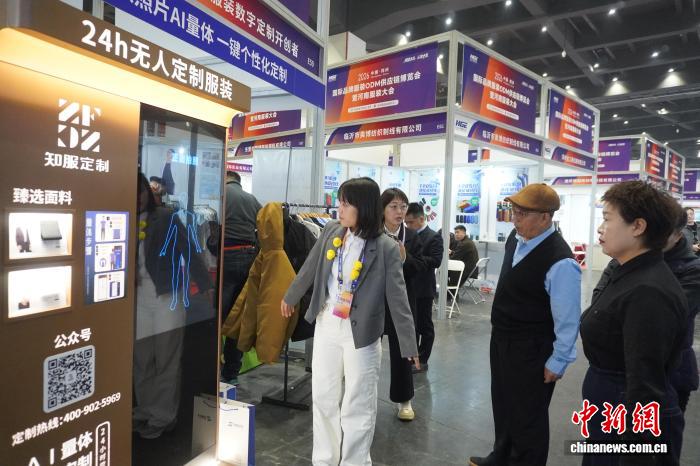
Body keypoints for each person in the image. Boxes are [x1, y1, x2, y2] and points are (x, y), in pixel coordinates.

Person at [281, 177, 419, 466]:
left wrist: (408, 344)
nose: (339, 209)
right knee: (324, 396)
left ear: (364, 207)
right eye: (339, 202)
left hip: (363, 333)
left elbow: (398, 298)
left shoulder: (386, 247)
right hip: (327, 324)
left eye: (345, 204)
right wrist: (291, 296)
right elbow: (310, 267)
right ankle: (324, 460)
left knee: (358, 403)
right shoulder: (332, 231)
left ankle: (355, 462)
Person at [470, 183, 581, 466]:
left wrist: (559, 360)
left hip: (532, 348)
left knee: (528, 416)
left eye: (521, 214)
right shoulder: (516, 238)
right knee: (503, 403)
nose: (514, 219)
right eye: (514, 212)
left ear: (545, 217)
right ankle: (501, 455)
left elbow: (568, 319)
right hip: (502, 339)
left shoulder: (560, 261)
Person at [580, 181, 687, 466]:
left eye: (607, 219)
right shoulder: (626, 272)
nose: (600, 228)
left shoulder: (648, 291)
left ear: (638, 226)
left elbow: (645, 383)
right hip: (609, 406)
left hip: (625, 412)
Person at [133, 173, 212, 439]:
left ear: (148, 191)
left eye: (141, 190)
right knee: (142, 359)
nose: (138, 197)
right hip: (137, 299)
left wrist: (205, 285)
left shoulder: (166, 217)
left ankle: (163, 416)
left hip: (167, 297)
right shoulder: (121, 219)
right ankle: (144, 410)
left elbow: (188, 250)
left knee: (166, 358)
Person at [381, 188, 426, 421]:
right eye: (393, 206)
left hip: (402, 300)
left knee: (403, 350)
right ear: (382, 209)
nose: (399, 212)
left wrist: (404, 258)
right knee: (366, 350)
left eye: (403, 207)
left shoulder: (413, 236)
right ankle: (361, 397)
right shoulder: (371, 233)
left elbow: (420, 267)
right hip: (375, 301)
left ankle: (404, 400)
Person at [220, 170, 262, 384]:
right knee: (238, 318)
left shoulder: (222, 195)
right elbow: (263, 226)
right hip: (248, 257)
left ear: (226, 178)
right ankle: (231, 373)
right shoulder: (252, 199)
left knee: (218, 316)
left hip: (225, 256)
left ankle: (211, 369)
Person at [404, 202, 443, 371]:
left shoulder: (433, 237)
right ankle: (412, 357)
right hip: (408, 286)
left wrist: (413, 259)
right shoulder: (406, 235)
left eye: (411, 222)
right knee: (410, 325)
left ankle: (423, 359)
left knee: (424, 326)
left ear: (421, 219)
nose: (408, 225)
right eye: (406, 222)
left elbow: (436, 260)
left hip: (424, 288)